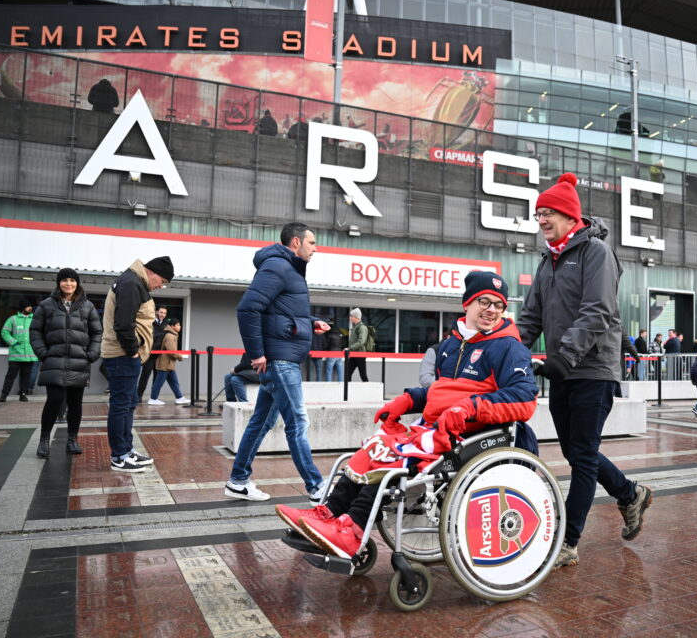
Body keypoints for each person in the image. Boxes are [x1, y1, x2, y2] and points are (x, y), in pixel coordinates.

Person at [276, 271, 537, 559]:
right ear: (467, 304)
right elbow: (441, 392)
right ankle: (327, 514)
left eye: (498, 305)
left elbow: (523, 399)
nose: (491, 310)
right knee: (376, 444)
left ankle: (353, 530)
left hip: (469, 432)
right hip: (437, 427)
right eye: (484, 302)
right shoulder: (451, 345)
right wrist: (408, 399)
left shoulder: (508, 346)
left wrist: (469, 407)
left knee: (396, 456)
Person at [515, 172, 651, 569]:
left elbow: (598, 311)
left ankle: (568, 541)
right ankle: (629, 494)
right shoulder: (547, 261)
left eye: (548, 212)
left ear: (570, 216)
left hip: (593, 368)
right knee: (578, 453)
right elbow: (530, 318)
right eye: (538, 213)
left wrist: (564, 355)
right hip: (563, 369)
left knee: (583, 455)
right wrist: (504, 350)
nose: (541, 219)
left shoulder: (595, 253)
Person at [226, 222, 329, 502]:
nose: (316, 249)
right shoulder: (277, 267)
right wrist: (256, 353)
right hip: (280, 360)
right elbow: (248, 308)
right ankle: (316, 487)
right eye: (312, 243)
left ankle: (238, 480)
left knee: (261, 422)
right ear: (295, 242)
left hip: (283, 357)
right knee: (298, 422)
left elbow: (281, 313)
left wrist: (310, 322)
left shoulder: (287, 269)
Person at [101, 256, 174, 473]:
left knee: (129, 403)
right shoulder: (131, 283)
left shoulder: (134, 283)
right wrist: (133, 350)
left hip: (127, 356)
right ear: (153, 272)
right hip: (123, 355)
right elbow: (123, 323)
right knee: (121, 405)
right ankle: (119, 456)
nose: (161, 286)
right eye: (162, 281)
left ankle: (126, 450)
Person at [29, 268, 102, 457]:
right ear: (58, 283)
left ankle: (72, 440)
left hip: (79, 361)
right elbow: (35, 331)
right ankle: (44, 440)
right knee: (54, 400)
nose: (68, 284)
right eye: (64, 280)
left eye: (72, 280)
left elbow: (97, 332)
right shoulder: (46, 305)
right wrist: (43, 353)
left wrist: (92, 353)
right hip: (54, 361)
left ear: (77, 283)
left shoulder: (88, 306)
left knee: (75, 403)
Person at [0, 299, 37, 402]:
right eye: (28, 306)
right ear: (22, 307)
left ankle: (23, 394)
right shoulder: (13, 319)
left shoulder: (35, 320)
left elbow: (39, 334)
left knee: (25, 377)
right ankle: (4, 395)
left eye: (31, 306)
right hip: (15, 355)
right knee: (10, 376)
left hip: (29, 355)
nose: (30, 308)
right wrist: (13, 342)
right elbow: (4, 332)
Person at [149, 318, 190, 405]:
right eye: (178, 325)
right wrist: (180, 357)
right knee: (159, 382)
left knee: (174, 382)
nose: (180, 326)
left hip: (168, 364)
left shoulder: (172, 334)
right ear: (172, 326)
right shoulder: (170, 336)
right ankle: (153, 398)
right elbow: (172, 351)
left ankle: (179, 397)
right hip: (165, 364)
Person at [137, 306, 167, 400]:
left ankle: (154, 398)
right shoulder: (151, 323)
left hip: (159, 355)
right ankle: (138, 396)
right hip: (149, 355)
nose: (162, 315)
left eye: (164, 313)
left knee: (157, 377)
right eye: (161, 312)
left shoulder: (166, 325)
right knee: (145, 376)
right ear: (157, 312)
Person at [346, 308, 370, 382]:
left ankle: (369, 391)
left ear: (356, 317)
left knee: (363, 375)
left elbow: (361, 341)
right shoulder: (356, 327)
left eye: (351, 316)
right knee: (347, 374)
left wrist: (350, 348)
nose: (350, 318)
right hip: (354, 354)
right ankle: (348, 391)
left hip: (360, 354)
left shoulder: (362, 327)